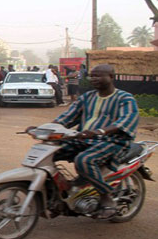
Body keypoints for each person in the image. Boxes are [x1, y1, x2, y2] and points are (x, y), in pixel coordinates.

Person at [49, 64, 139, 219]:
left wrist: (100, 131)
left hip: (113, 141)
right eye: (92, 75)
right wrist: (47, 128)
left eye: (98, 75)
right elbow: (66, 117)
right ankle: (61, 192)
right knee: (49, 152)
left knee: (84, 160)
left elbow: (126, 120)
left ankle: (106, 196)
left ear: (111, 77)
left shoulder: (125, 98)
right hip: (84, 139)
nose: (94, 79)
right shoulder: (87, 97)